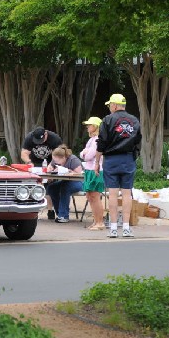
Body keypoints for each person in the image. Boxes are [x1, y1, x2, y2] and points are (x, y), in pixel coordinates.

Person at [94, 94, 141, 238]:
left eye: (110, 106)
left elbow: (101, 142)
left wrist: (97, 162)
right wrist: (133, 156)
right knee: (127, 193)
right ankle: (126, 227)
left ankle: (113, 228)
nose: (109, 108)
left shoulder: (108, 120)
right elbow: (138, 141)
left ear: (114, 105)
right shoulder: (134, 120)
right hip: (128, 159)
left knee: (112, 193)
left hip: (111, 159)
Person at [21, 127, 63, 220]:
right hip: (34, 163)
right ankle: (31, 209)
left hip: (50, 163)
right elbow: (24, 153)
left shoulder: (55, 139)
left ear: (46, 135)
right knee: (33, 185)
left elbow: (60, 154)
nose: (39, 142)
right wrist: (28, 162)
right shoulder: (29, 137)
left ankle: (50, 210)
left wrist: (52, 165)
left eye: (41, 140)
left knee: (49, 185)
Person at [44, 145, 84, 223]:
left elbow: (80, 174)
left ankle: (64, 216)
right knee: (51, 188)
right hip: (66, 181)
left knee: (65, 188)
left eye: (57, 161)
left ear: (63, 158)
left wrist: (69, 171)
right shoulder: (55, 160)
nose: (56, 162)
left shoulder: (73, 160)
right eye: (54, 160)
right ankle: (60, 212)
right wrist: (50, 169)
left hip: (79, 182)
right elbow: (50, 167)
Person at [80, 116, 105, 230]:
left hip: (96, 170)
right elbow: (83, 154)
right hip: (89, 170)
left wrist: (85, 153)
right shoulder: (91, 140)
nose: (87, 127)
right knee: (90, 196)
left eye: (89, 125)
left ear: (95, 126)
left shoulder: (96, 140)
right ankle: (96, 221)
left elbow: (88, 156)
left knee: (95, 196)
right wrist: (84, 153)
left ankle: (100, 222)